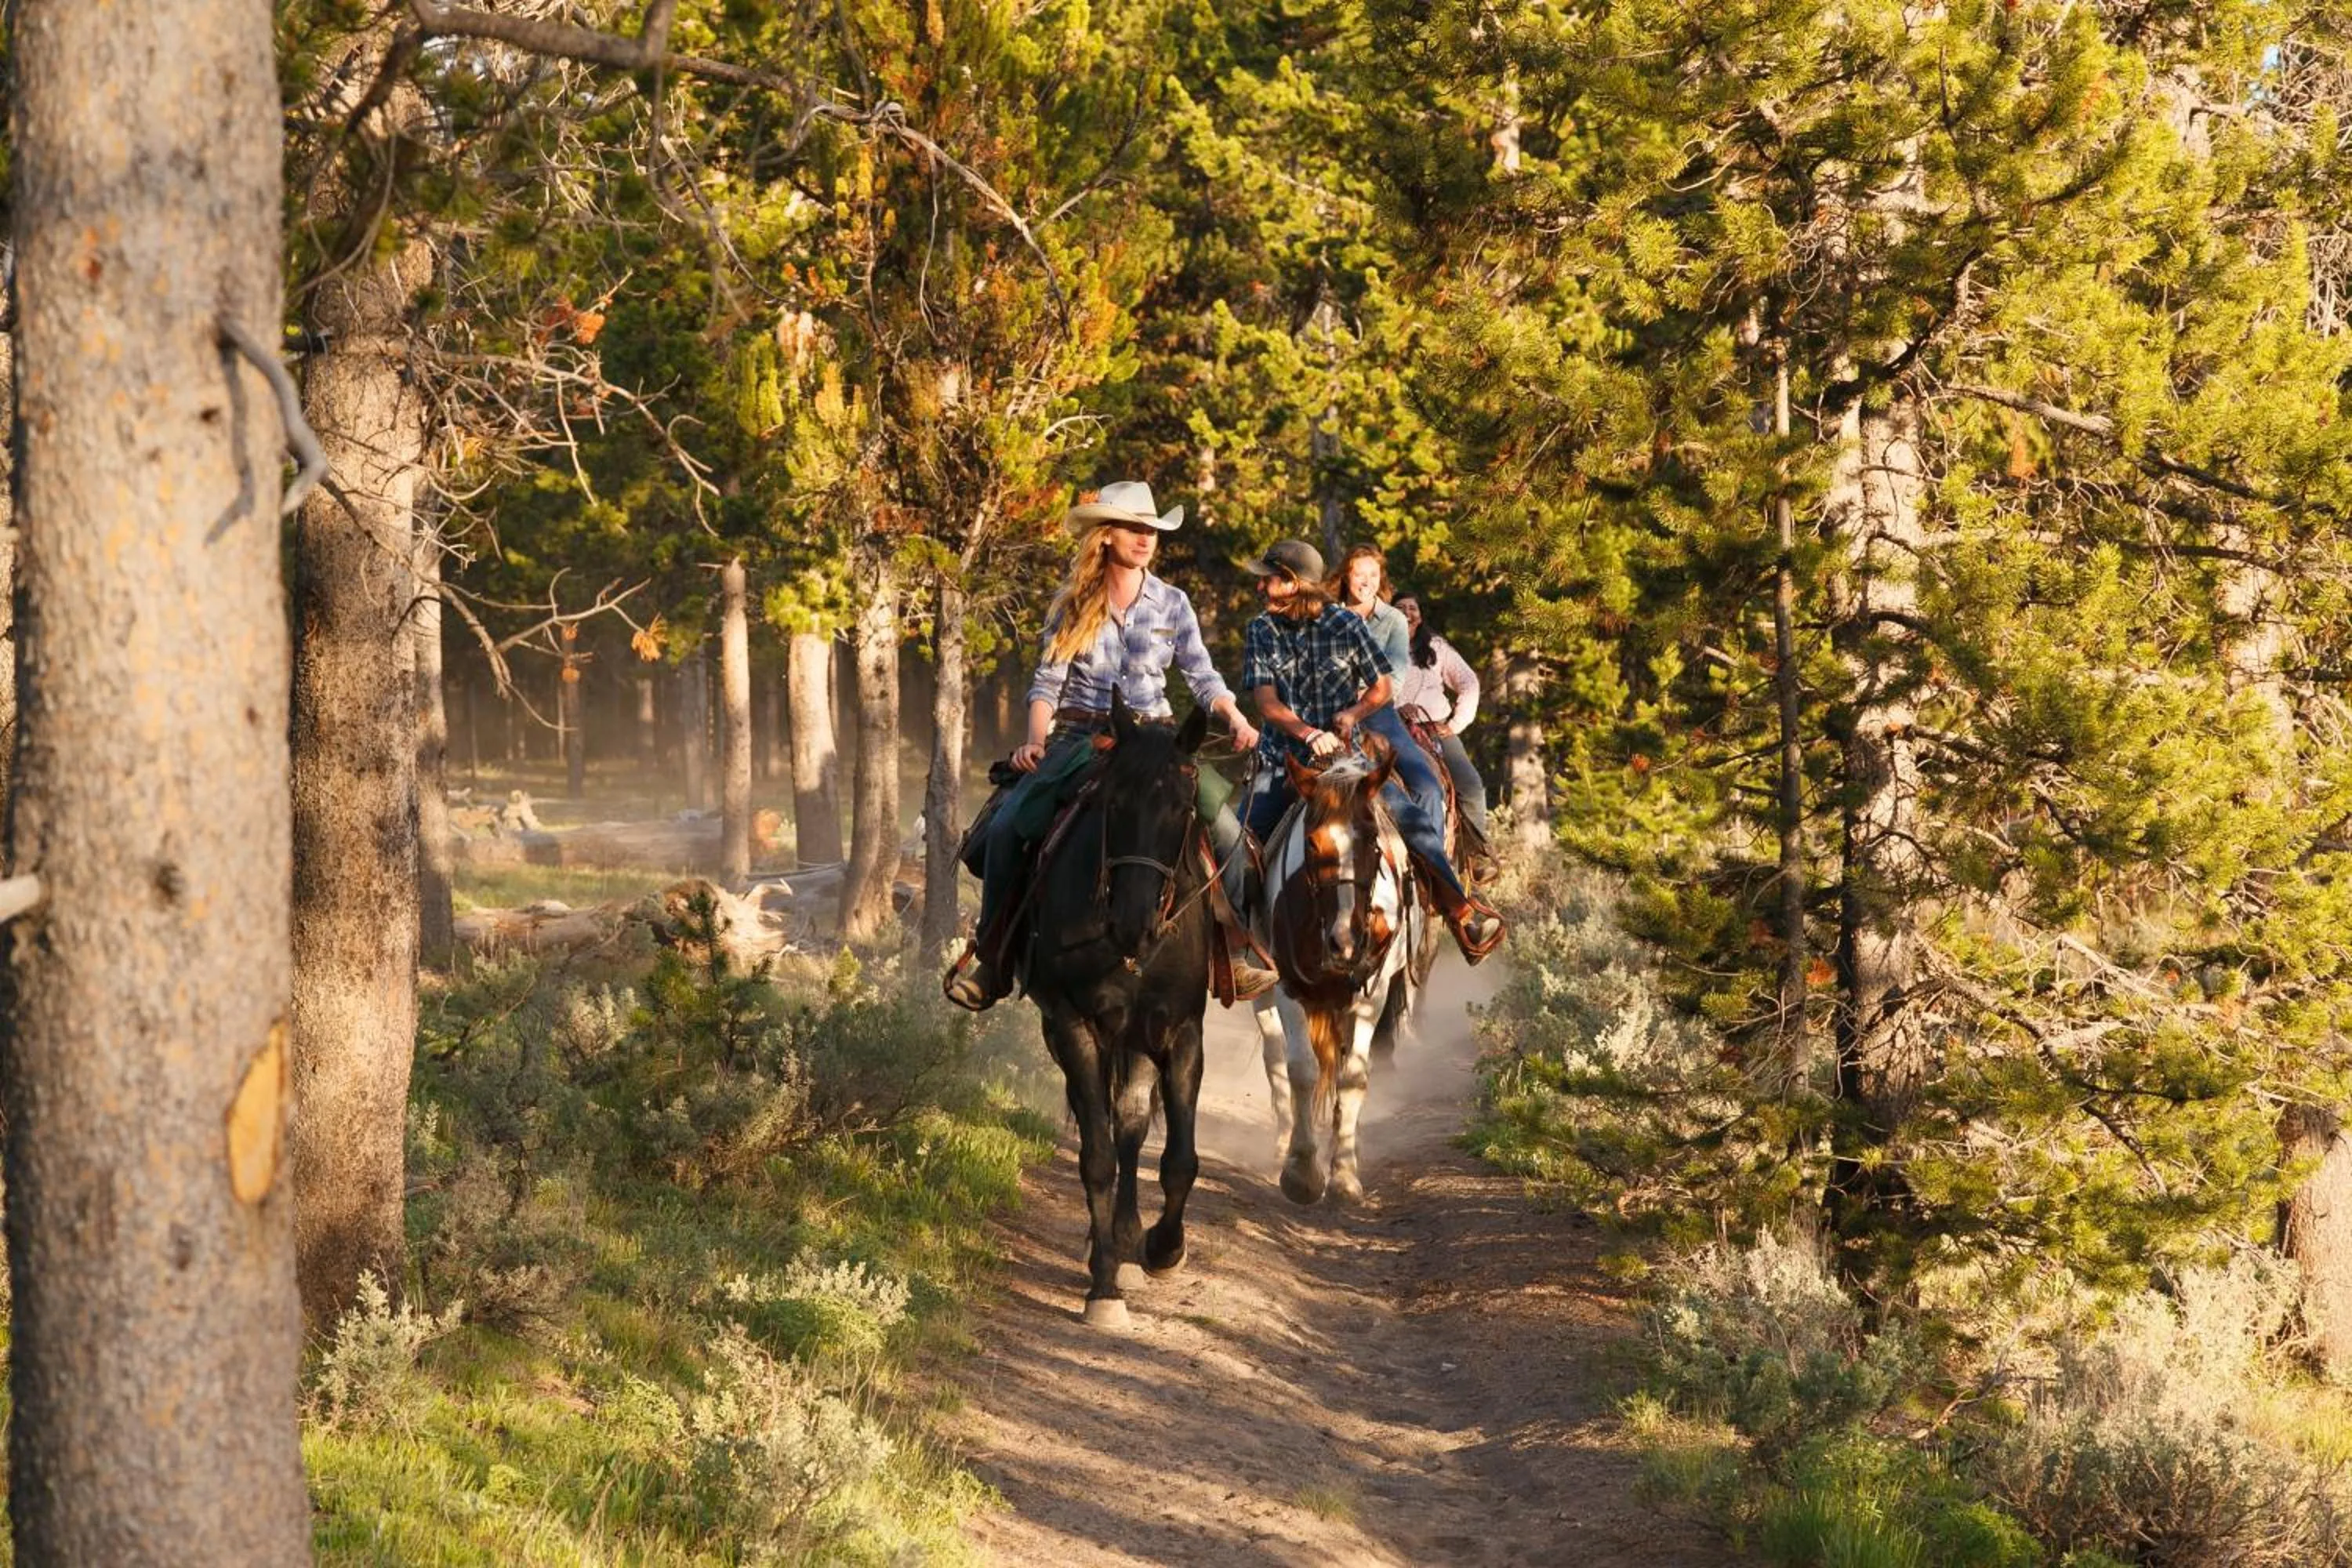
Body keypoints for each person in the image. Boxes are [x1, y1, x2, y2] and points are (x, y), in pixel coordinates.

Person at [945, 480, 1275, 1012]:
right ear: (1105, 536)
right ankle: (993, 956)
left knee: (1229, 831)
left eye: (1152, 530)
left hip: (1156, 739)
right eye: (1134, 528)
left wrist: (1236, 717)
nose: (1146, 539)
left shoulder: (1173, 602)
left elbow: (1202, 676)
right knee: (1008, 829)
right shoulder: (1072, 602)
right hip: (1084, 736)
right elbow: (1046, 684)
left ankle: (1230, 950)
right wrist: (1035, 740)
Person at [1240, 539, 1504, 963]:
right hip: (1283, 761)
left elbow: (1382, 686)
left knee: (1412, 820)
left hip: (1347, 761)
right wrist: (1308, 733)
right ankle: (1237, 949)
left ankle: (1461, 912)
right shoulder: (1261, 630)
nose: (1259, 588)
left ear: (1292, 584)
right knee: (1239, 844)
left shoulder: (1347, 626)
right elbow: (1267, 703)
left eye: (1267, 580)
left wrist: (1353, 714)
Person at [1327, 544, 1467, 853]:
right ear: (1345, 577)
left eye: (1373, 575)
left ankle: (1433, 869)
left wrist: (1361, 703)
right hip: (1331, 713)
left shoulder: (1393, 620)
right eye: (1359, 574)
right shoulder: (1326, 616)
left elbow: (1395, 679)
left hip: (1380, 714)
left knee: (1428, 787)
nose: (1366, 581)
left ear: (1382, 578)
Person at [1390, 590, 1488, 838]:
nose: (1407, 613)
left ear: (1420, 616)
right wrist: (1395, 709)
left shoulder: (1437, 647)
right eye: (1400, 608)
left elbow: (1469, 682)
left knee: (1472, 787)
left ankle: (1478, 852)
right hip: (1394, 730)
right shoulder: (1381, 646)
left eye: (1413, 608)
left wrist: (1456, 724)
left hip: (1436, 729)